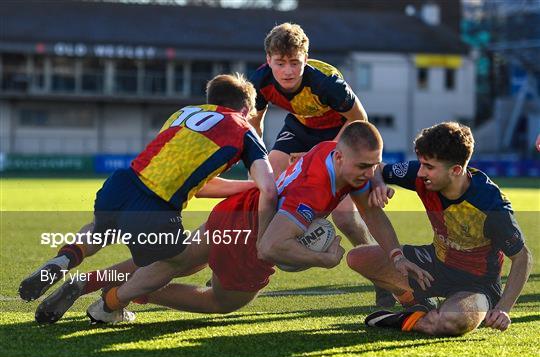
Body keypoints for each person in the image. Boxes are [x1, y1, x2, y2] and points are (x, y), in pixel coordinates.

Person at [37, 122, 431, 324]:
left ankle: (88, 282)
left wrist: (395, 251)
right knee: (222, 301)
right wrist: (324, 260)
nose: (368, 173)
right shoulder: (313, 192)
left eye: (374, 166)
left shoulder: (336, 153)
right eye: (364, 167)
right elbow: (270, 247)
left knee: (179, 259)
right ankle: (113, 301)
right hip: (253, 233)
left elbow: (370, 208)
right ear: (343, 160)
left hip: (238, 208)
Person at [20, 73, 278, 323]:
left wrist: (244, 187)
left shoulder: (185, 113)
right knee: (175, 262)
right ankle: (110, 306)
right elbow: (268, 188)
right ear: (246, 109)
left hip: (123, 182)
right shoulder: (244, 128)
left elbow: (198, 186)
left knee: (101, 230)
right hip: (156, 204)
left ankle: (66, 257)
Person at [249, 22, 393, 306]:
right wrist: (256, 155)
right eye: (280, 63)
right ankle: (255, 261)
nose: (288, 71)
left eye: (295, 63)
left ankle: (383, 278)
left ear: (306, 58)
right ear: (268, 61)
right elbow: (255, 122)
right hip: (300, 128)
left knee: (344, 218)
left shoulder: (326, 82)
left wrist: (321, 154)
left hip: (340, 133)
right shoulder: (260, 81)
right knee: (267, 184)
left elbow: (359, 118)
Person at [348, 122, 532, 336]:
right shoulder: (422, 173)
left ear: (455, 170)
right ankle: (417, 304)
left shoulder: (490, 204)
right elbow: (377, 168)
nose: (421, 172)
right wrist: (379, 184)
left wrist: (503, 308)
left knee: (451, 321)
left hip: (477, 285)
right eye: (421, 163)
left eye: (429, 167)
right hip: (434, 264)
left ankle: (408, 320)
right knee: (358, 258)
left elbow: (523, 257)